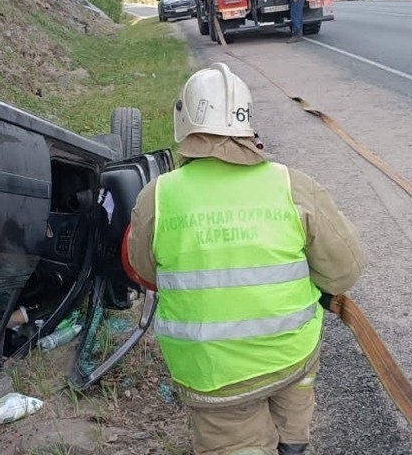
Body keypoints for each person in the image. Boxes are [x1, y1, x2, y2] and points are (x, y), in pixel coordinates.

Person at [126, 63, 364, 455]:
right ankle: (293, 444)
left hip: (213, 376)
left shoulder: (158, 197)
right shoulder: (293, 186)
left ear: (183, 122)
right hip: (291, 357)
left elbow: (145, 271)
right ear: (247, 124)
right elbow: (344, 271)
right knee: (295, 409)